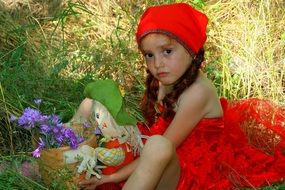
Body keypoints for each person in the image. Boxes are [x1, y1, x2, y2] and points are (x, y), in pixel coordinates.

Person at [79, 3, 285, 190]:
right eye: (149, 55)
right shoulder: (167, 77)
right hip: (156, 155)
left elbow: (164, 145)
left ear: (191, 50)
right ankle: (64, 154)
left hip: (188, 170)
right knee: (90, 104)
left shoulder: (198, 92)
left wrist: (112, 178)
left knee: (158, 144)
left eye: (167, 51)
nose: (157, 63)